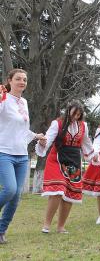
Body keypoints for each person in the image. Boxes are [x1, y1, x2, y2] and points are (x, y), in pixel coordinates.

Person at [36, 101, 96, 233]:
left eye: (79, 115)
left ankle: (60, 226)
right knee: (58, 190)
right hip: (56, 159)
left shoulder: (83, 126)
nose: (75, 117)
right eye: (74, 113)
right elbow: (48, 139)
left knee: (70, 193)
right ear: (68, 110)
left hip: (74, 160)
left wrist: (93, 156)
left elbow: (86, 144)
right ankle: (46, 225)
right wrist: (43, 142)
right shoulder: (57, 123)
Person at [0, 69, 46, 243]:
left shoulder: (24, 102)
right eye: (18, 79)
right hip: (3, 152)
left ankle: (1, 230)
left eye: (25, 79)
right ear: (9, 81)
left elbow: (21, 130)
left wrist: (37, 136)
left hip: (21, 154)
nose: (22, 82)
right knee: (10, 190)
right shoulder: (3, 99)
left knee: (16, 195)